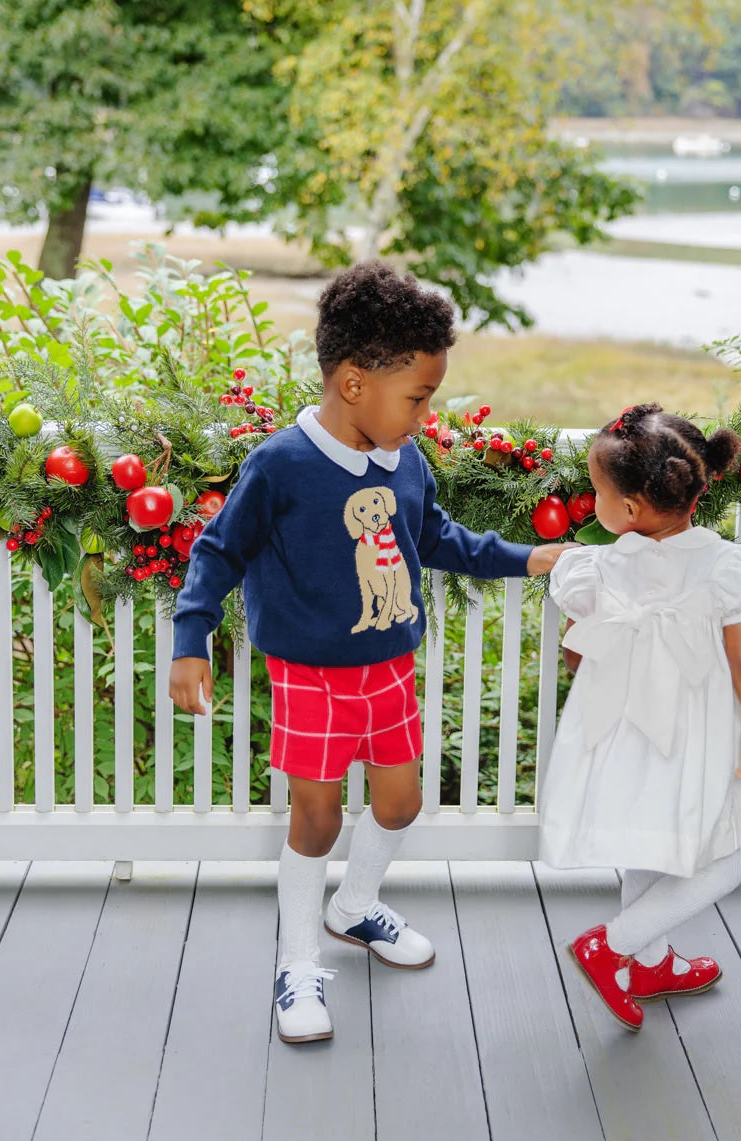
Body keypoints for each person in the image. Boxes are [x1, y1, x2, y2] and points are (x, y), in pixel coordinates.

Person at [168, 262, 563, 1044]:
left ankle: (352, 908)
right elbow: (217, 552)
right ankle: (296, 959)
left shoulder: (405, 461)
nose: (425, 412)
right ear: (354, 384)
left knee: (400, 804)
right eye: (417, 396)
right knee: (314, 821)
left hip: (389, 668)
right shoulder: (280, 464)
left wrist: (526, 558)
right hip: (308, 675)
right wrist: (191, 640)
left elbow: (437, 538)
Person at [539, 403, 741, 1031]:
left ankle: (646, 960)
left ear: (633, 510)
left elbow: (574, 649)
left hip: (618, 730)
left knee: (649, 844)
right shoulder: (726, 569)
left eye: (598, 493)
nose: (594, 504)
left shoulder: (597, 564)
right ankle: (615, 947)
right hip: (693, 735)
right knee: (722, 862)